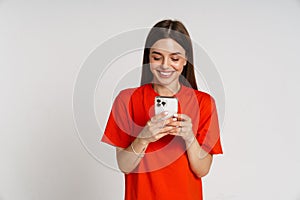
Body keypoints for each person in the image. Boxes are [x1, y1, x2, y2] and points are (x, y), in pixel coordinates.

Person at [101, 19, 223, 200]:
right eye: (157, 57)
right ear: (148, 58)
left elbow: (202, 169)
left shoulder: (204, 103)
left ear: (185, 60)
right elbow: (124, 166)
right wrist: (143, 138)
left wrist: (189, 137)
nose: (165, 65)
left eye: (174, 58)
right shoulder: (126, 100)